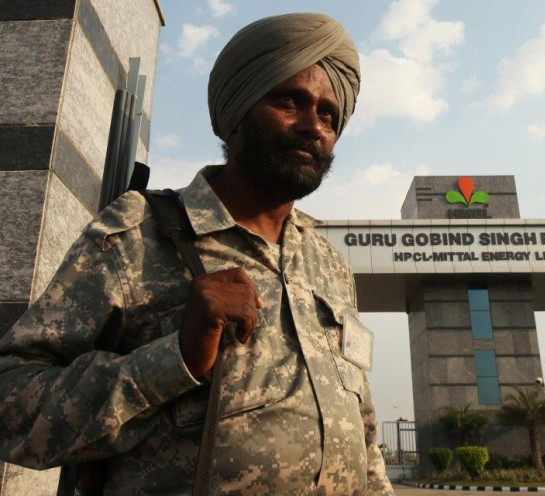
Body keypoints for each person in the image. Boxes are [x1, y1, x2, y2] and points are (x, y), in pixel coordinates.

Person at [0, 13, 393, 495]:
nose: (314, 126)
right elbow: (12, 406)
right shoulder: (140, 235)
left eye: (330, 114)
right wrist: (175, 358)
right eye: (290, 100)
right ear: (236, 115)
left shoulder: (328, 265)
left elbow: (364, 431)